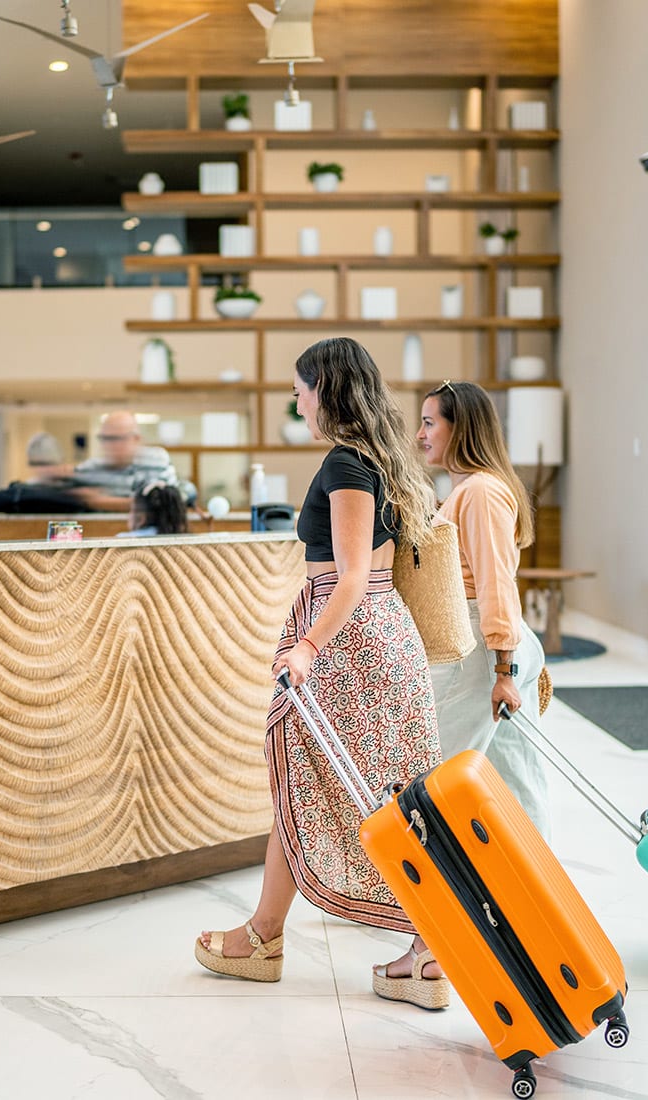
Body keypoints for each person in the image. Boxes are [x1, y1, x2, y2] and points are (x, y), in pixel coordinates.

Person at [195, 337, 450, 1009]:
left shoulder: (345, 464)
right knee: (317, 784)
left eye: (301, 388)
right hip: (381, 636)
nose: (297, 399)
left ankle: (429, 951)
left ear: (325, 391)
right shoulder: (381, 460)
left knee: (357, 793)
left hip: (350, 642)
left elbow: (352, 576)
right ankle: (266, 934)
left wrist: (306, 645)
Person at [416, 380, 550, 838]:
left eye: (430, 423)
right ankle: (533, 895)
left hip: (482, 649)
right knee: (516, 781)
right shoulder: (469, 491)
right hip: (493, 647)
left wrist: (503, 669)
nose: (420, 434)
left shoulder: (480, 493)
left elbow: (495, 583)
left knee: (435, 775)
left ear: (461, 428)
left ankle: (413, 894)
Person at [69, 411, 191, 511]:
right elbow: (71, 495)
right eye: (104, 438)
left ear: (136, 439)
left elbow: (161, 502)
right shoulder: (92, 466)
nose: (108, 445)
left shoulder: (156, 459)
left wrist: (98, 501)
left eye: (115, 438)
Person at [118, 480, 189, 537]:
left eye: (131, 510)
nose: (129, 515)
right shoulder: (186, 541)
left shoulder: (122, 540)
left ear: (141, 518)